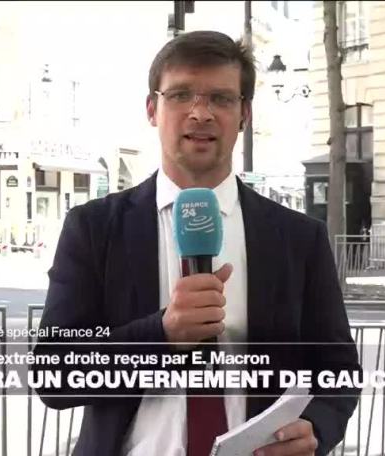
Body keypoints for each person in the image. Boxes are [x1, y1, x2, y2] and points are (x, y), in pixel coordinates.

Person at [32, 30, 360, 456]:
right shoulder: (94, 228)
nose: (200, 113)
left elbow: (338, 371)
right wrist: (162, 334)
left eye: (220, 99)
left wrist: (316, 428)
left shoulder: (299, 238)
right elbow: (55, 373)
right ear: (152, 109)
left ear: (244, 114)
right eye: (181, 95)